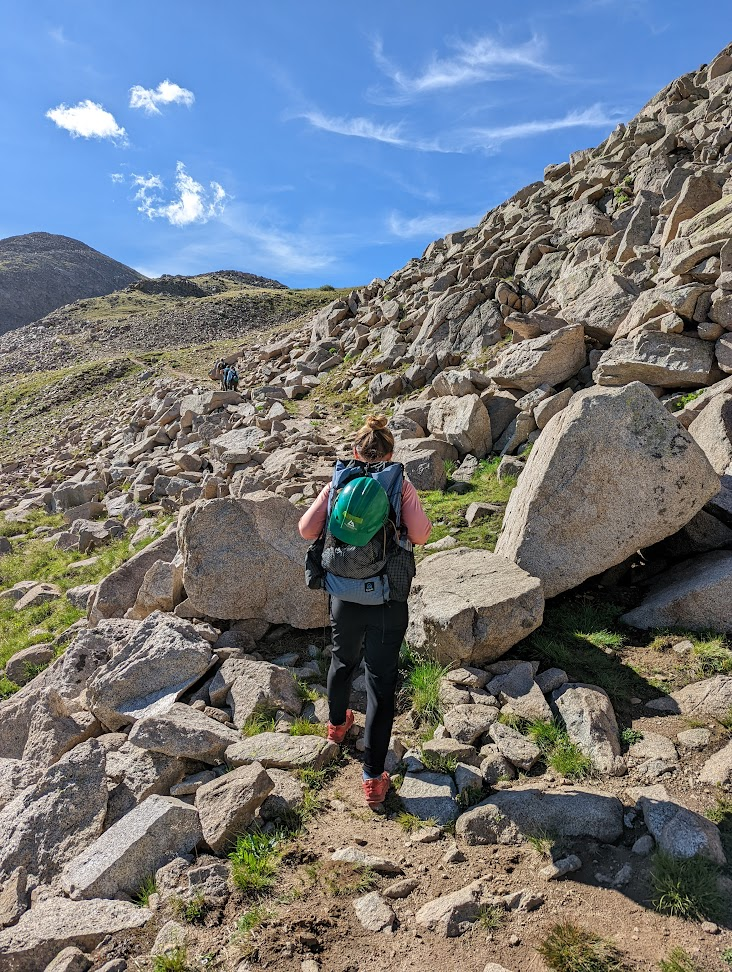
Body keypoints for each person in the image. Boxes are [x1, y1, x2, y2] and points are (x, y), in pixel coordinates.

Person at [298, 415, 431, 810]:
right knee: (379, 681)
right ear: (391, 453)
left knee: (342, 660)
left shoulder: (339, 481)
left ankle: (337, 726)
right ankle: (373, 778)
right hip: (387, 597)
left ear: (356, 451)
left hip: (343, 591)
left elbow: (307, 530)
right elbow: (422, 535)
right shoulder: (398, 484)